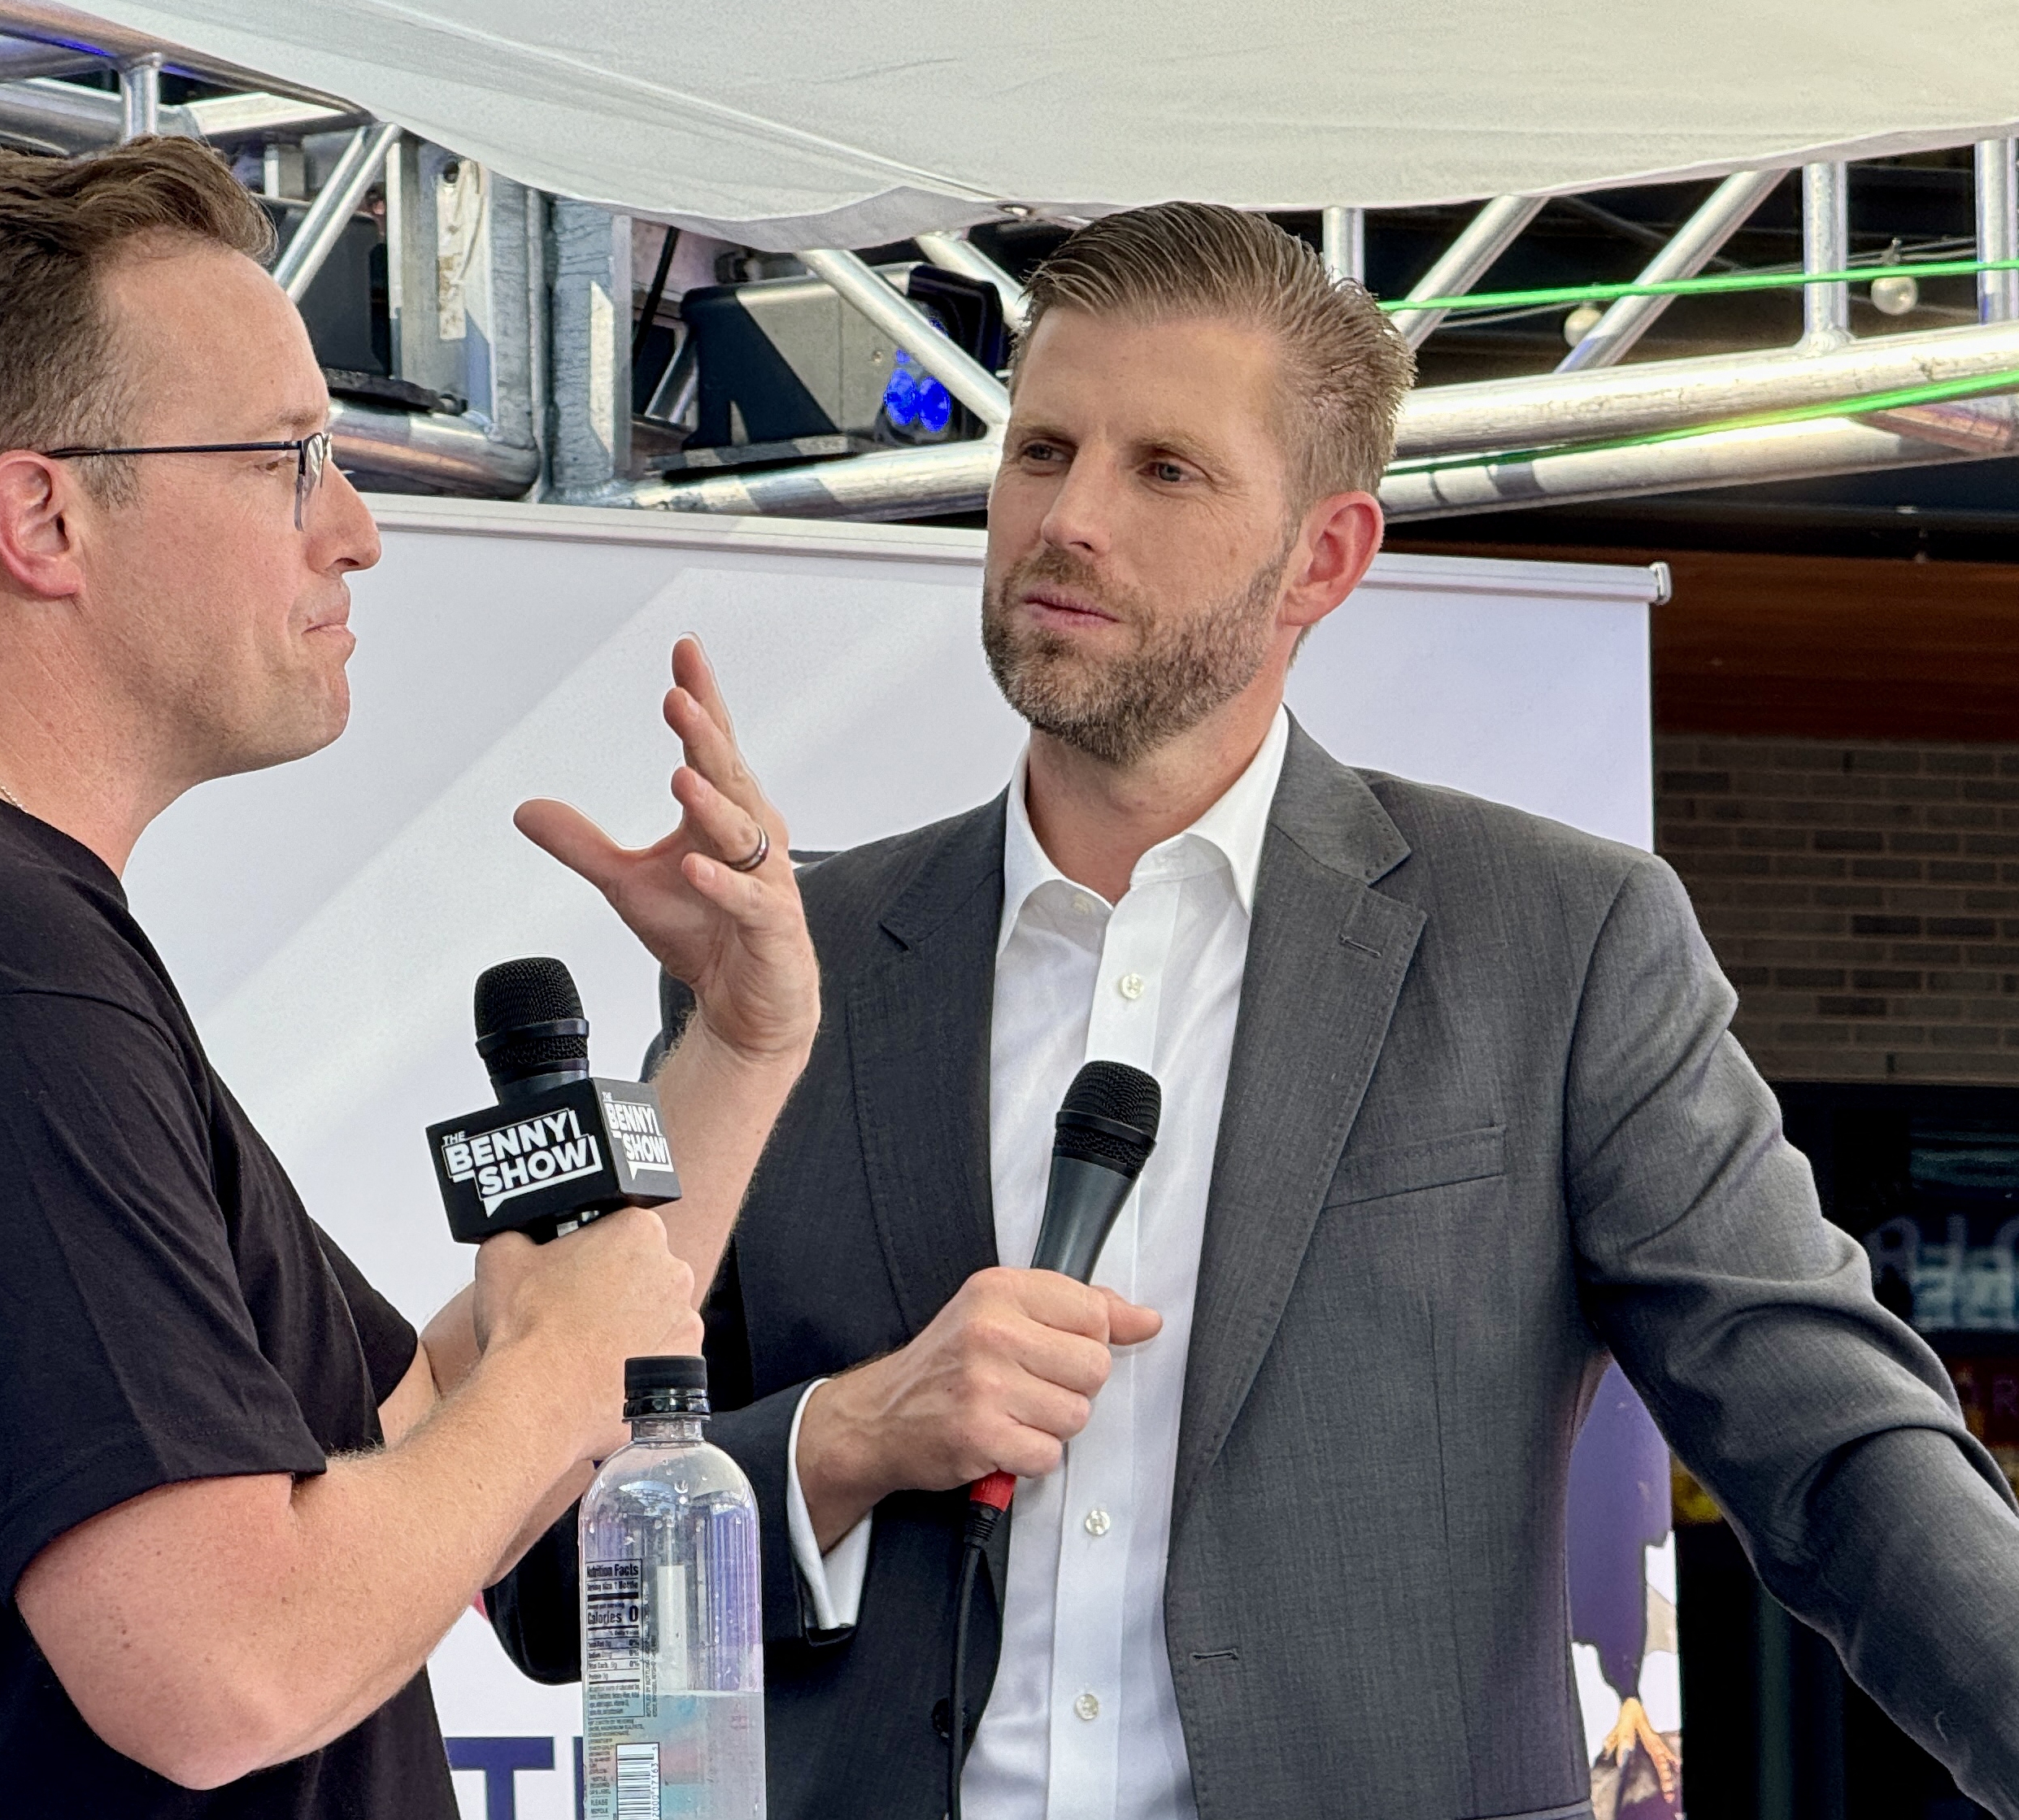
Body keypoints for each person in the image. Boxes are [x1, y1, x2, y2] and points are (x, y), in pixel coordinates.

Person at [490, 202, 2019, 1819]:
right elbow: (541, 1571)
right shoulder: (785, 970)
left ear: (1325, 558)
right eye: (1041, 451)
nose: (1069, 519)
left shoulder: (1553, 945)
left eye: (1163, 471)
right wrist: (851, 1434)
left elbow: (1837, 1453)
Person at [0, 140, 818, 1819]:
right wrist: (554, 1383)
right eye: (288, 460)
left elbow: (410, 1436)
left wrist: (737, 1047)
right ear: (42, 516)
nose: (355, 531)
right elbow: (221, 1670)